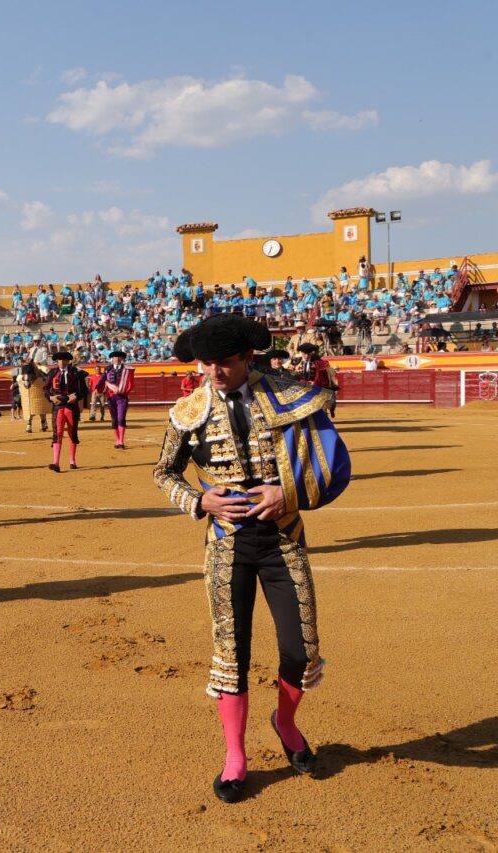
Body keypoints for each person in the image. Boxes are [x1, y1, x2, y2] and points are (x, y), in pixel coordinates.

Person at [153, 314, 350, 804]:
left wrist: (289, 494)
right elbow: (164, 472)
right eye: (207, 364)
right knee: (231, 652)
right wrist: (201, 502)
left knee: (301, 650)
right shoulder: (188, 409)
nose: (213, 373)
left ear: (247, 358)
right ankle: (235, 757)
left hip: (282, 537)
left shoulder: (290, 395)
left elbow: (335, 463)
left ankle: (284, 721)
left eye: (224, 363)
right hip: (226, 544)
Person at [46, 351, 89, 471]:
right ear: (57, 361)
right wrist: (50, 397)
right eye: (59, 360)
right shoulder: (53, 372)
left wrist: (77, 396)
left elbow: (84, 390)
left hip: (71, 406)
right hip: (58, 406)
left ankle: (72, 460)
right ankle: (56, 463)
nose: (61, 362)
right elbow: (45, 388)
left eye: (64, 360)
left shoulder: (75, 372)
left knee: (72, 433)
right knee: (57, 433)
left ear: (67, 361)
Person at [297, 343, 338, 418]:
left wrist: (315, 382)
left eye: (308, 354)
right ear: (301, 353)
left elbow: (322, 375)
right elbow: (291, 374)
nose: (306, 356)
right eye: (304, 354)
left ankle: (328, 413)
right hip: (302, 387)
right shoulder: (296, 361)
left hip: (317, 386)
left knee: (330, 404)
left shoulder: (318, 362)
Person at [103, 350, 134, 448]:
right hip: (111, 397)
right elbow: (104, 380)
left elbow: (130, 383)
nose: (116, 359)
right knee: (114, 419)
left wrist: (123, 391)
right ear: (112, 359)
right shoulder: (108, 369)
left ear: (122, 359)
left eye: (118, 357)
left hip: (122, 397)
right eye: (114, 357)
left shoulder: (127, 370)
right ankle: (117, 440)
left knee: (121, 418)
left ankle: (121, 441)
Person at [16, 361, 51, 433]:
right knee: (30, 407)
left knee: (41, 406)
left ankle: (42, 424)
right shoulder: (22, 375)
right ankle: (33, 425)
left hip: (39, 369)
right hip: (27, 389)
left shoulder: (42, 369)